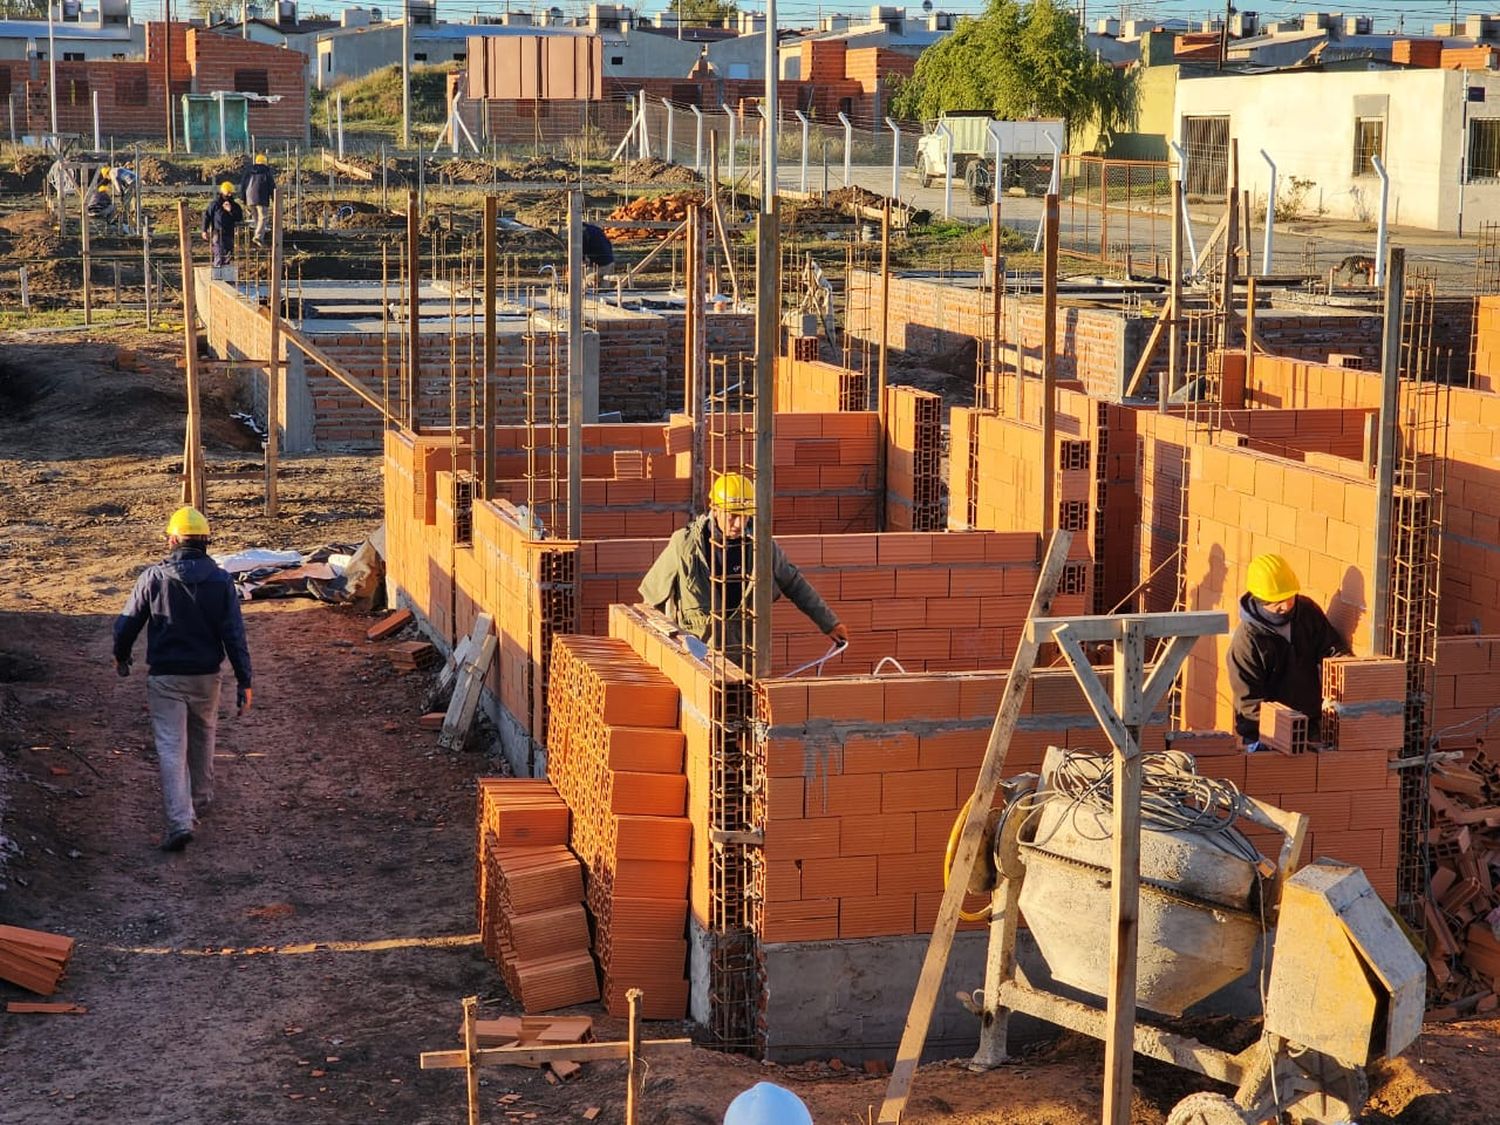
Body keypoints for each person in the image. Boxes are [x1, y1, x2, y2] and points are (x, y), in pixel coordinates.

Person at [113, 507, 253, 851]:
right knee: (204, 733)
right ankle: (201, 798)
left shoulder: (154, 577)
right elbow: (234, 634)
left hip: (166, 678)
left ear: (173, 540)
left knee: (170, 747)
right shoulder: (221, 581)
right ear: (205, 541)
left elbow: (128, 621)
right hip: (207, 677)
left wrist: (122, 654)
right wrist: (244, 680)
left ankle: (180, 820)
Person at [639, 472, 848, 667]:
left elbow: (794, 583)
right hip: (699, 657)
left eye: (746, 516)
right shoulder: (685, 545)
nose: (740, 524)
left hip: (745, 656)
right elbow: (650, 602)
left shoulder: (761, 547)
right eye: (733, 516)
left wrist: (829, 623)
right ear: (715, 509)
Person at [1226, 553, 1350, 747]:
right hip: (1267, 737)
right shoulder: (1247, 642)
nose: (1286, 606)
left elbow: (1332, 649)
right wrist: (1285, 731)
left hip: (1311, 726)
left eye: (1289, 598)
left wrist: (1351, 675)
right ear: (1261, 601)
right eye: (1278, 602)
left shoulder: (1306, 612)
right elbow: (1248, 704)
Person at [202, 181, 244, 268]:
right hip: (217, 233)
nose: (229, 195)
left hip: (229, 233)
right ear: (222, 192)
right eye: (227, 192)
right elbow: (207, 217)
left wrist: (230, 210)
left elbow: (239, 218)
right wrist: (204, 230)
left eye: (230, 193)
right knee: (219, 254)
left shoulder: (235, 206)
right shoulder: (215, 204)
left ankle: (226, 277)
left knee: (228, 255)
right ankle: (218, 275)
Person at [240, 153, 277, 246]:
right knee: (263, 218)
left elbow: (243, 185)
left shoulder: (249, 171)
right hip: (261, 198)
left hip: (250, 198)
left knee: (256, 218)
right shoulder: (266, 172)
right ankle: (258, 237)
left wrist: (243, 198)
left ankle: (258, 238)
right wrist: (274, 200)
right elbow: (272, 187)